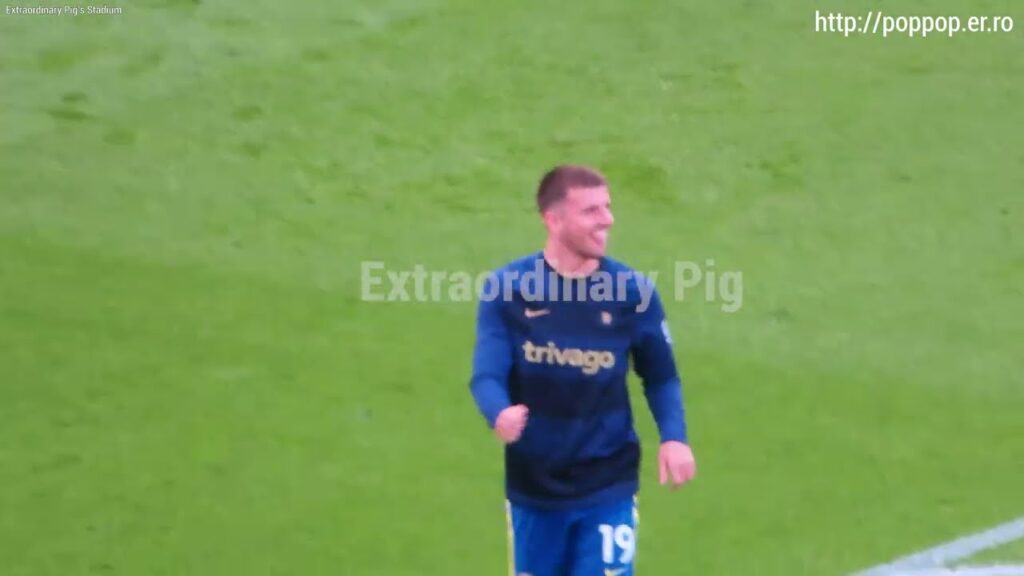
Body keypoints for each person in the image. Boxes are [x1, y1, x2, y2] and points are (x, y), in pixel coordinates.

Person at [469, 165, 696, 576]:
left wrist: (674, 437)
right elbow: (486, 374)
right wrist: (497, 411)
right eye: (591, 211)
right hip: (534, 488)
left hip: (607, 483)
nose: (608, 220)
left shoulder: (633, 293)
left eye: (607, 207)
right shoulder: (508, 289)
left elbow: (661, 376)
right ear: (553, 220)